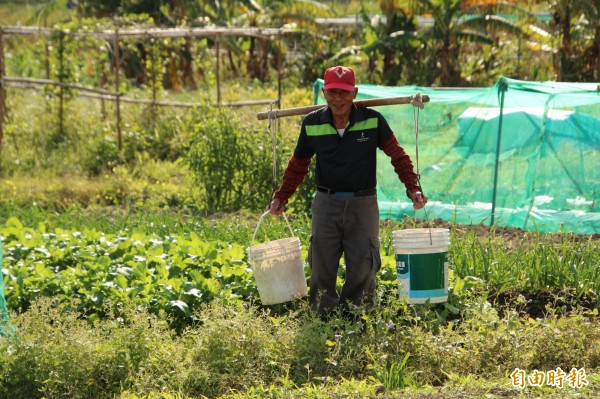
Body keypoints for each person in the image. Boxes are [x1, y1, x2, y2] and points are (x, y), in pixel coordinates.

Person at [268, 65, 428, 317]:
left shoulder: (372, 121)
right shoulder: (312, 123)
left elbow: (397, 155)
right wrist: (282, 195)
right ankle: (323, 319)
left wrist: (413, 187)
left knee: (363, 265)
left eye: (344, 92)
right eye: (332, 92)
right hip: (326, 203)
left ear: (354, 92)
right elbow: (299, 164)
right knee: (321, 265)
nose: (338, 99)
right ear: (324, 93)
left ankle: (356, 318)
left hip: (363, 204)